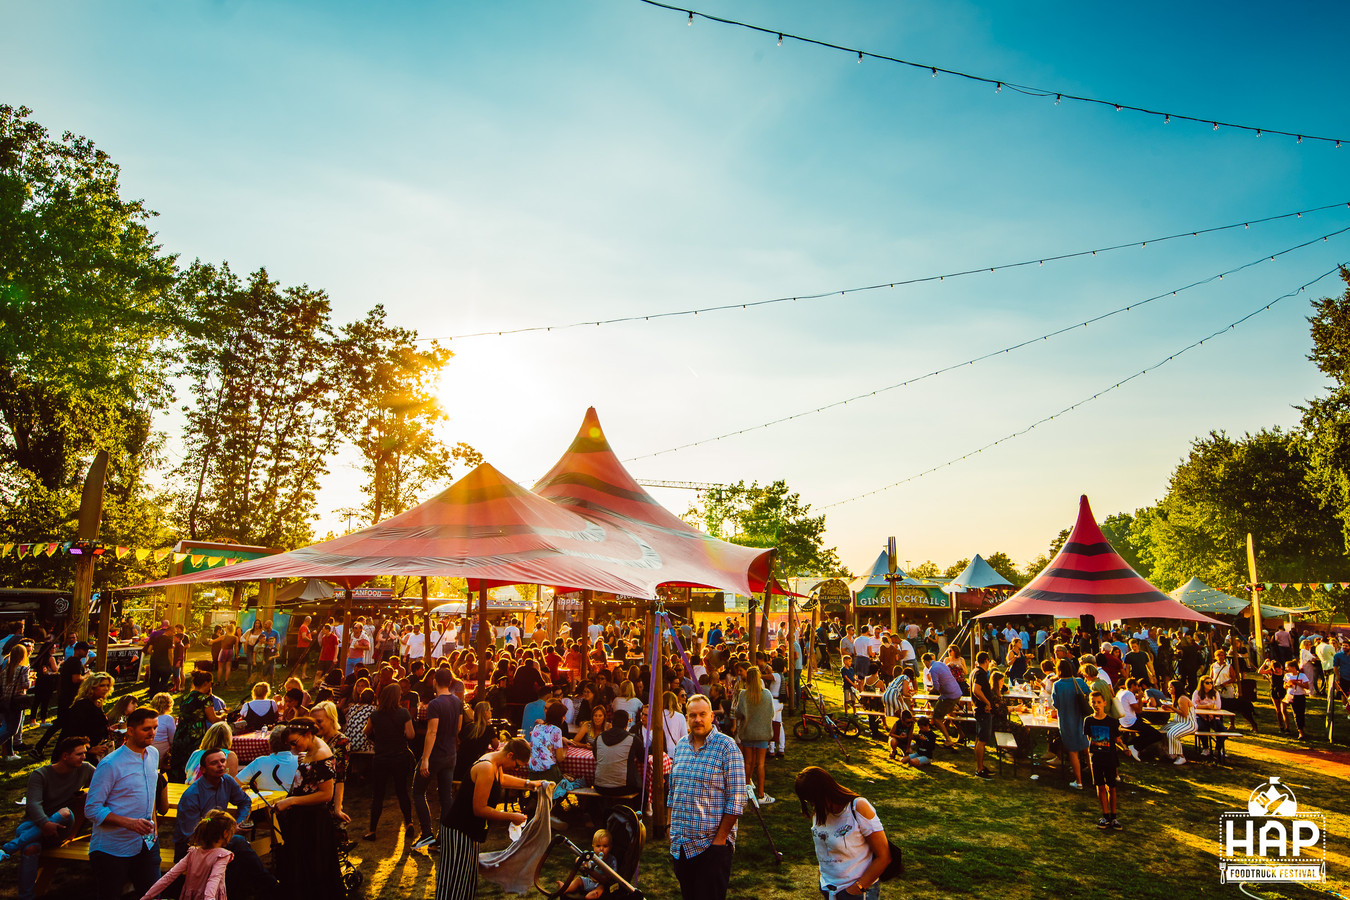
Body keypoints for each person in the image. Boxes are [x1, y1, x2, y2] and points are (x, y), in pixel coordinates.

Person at [435, 738, 544, 900]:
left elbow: (501, 780)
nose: (516, 769)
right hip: (458, 830)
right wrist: (511, 816)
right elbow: (480, 809)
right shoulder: (486, 767)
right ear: (510, 755)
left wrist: (529, 783)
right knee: (455, 880)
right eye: (517, 765)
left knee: (467, 879)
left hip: (468, 829)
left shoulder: (495, 762)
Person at [667, 694, 745, 900]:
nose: (698, 720)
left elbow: (737, 799)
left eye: (702, 714)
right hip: (682, 845)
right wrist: (669, 827)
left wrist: (719, 841)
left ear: (712, 716)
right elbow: (673, 791)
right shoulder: (681, 746)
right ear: (687, 718)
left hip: (711, 846)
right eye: (692, 715)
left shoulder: (727, 747)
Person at [174, 745, 277, 898]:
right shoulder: (192, 794)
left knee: (238, 857)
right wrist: (228, 833)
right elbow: (191, 835)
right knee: (238, 844)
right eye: (214, 763)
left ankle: (255, 890)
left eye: (222, 761)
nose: (220, 765)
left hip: (219, 841)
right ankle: (270, 886)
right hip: (192, 847)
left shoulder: (227, 781)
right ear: (203, 770)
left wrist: (238, 823)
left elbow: (244, 801)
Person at [86, 708, 162, 900]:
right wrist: (129, 823)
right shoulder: (110, 764)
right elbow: (92, 809)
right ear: (130, 731)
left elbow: (149, 792)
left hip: (147, 842)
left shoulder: (153, 754)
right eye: (146, 729)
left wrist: (153, 823)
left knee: (153, 894)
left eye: (155, 727)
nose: (152, 733)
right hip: (113, 848)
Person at [7, 736, 93, 900]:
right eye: (79, 754)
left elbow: (105, 784)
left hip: (62, 826)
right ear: (65, 756)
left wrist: (87, 792)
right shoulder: (40, 774)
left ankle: (8, 849)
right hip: (35, 823)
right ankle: (26, 897)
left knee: (64, 812)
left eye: (84, 753)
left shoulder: (86, 769)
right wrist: (45, 823)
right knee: (30, 848)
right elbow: (33, 804)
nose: (83, 757)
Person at [795, 766, 891, 899]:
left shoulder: (858, 807)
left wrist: (856, 889)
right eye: (808, 801)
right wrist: (823, 878)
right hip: (829, 888)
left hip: (856, 891)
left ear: (825, 792)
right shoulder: (819, 811)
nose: (812, 804)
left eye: (813, 800)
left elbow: (884, 856)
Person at [274, 718, 344, 899]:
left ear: (307, 734)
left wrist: (291, 801)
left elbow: (326, 795)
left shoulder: (321, 754)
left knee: (313, 866)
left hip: (314, 820)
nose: (293, 748)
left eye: (294, 743)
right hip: (304, 817)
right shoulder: (310, 749)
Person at [411, 667, 464, 851]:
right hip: (451, 754)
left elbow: (432, 732)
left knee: (418, 791)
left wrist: (425, 758)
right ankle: (443, 838)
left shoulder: (435, 704)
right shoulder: (457, 701)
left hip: (435, 755)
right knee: (445, 797)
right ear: (450, 682)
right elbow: (458, 728)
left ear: (434, 681)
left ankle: (427, 833)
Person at [143, 808, 236, 900]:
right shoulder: (222, 856)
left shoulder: (193, 853)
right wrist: (209, 898)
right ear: (225, 833)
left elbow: (169, 876)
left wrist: (147, 896)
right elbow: (213, 880)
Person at [364, 682, 415, 841]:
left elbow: (366, 731)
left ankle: (372, 830)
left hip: (381, 758)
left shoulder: (376, 714)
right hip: (399, 756)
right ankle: (409, 823)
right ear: (396, 697)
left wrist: (377, 738)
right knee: (402, 791)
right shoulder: (403, 713)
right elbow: (411, 734)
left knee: (378, 795)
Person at [32, 641, 89, 759]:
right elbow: (76, 679)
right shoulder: (75, 662)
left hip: (65, 697)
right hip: (70, 699)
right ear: (78, 650)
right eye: (85, 650)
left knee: (63, 726)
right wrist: (87, 676)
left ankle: (48, 750)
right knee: (61, 725)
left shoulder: (69, 661)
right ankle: (42, 749)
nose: (87, 652)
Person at [171, 670, 224, 782]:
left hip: (182, 732)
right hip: (196, 733)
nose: (211, 686)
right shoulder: (205, 698)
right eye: (211, 683)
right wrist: (223, 716)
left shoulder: (186, 697)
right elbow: (213, 719)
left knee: (181, 761)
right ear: (206, 683)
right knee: (194, 760)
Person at [733, 665, 775, 805]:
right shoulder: (767, 694)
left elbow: (738, 713)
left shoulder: (743, 695)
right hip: (762, 734)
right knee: (761, 764)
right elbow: (771, 713)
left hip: (748, 733)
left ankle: (745, 793)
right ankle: (761, 794)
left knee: (748, 763)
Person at [1084, 691, 1122, 830]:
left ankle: (1114, 816)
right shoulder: (1088, 721)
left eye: (1099, 702)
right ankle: (1105, 815)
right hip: (1096, 758)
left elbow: (1117, 739)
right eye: (1093, 702)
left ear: (1104, 703)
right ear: (1090, 704)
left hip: (1110, 758)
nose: (1096, 705)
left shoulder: (1112, 722)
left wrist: (1124, 748)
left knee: (1111, 787)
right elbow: (1089, 738)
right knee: (1100, 786)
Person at [1050, 658, 1089, 789]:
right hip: (1081, 718)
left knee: (1073, 752)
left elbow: (1056, 704)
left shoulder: (1057, 685)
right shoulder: (1079, 681)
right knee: (1087, 749)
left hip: (1066, 720)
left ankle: (1079, 781)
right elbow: (1090, 695)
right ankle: (1094, 777)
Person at [921, 653, 964, 751]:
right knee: (950, 714)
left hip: (949, 696)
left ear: (925, 661)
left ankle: (948, 740)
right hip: (957, 692)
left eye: (924, 663)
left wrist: (930, 690)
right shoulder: (940, 664)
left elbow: (936, 687)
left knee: (936, 718)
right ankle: (961, 734)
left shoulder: (932, 669)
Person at [236, 728, 300, 793]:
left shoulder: (259, 762)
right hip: (292, 798)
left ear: (269, 744)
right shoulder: (300, 761)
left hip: (264, 798)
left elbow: (235, 784)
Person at [559, 828, 615, 900]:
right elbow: (583, 861)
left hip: (601, 884)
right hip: (589, 880)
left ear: (610, 847)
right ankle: (565, 888)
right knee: (578, 879)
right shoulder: (592, 856)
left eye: (605, 846)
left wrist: (604, 868)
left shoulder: (611, 860)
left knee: (602, 888)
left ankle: (592, 895)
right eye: (598, 846)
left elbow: (612, 876)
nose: (601, 849)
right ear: (593, 846)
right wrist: (582, 862)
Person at [970, 651, 995, 780]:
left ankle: (981, 766)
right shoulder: (980, 673)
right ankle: (979, 769)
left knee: (979, 738)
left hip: (978, 709)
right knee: (982, 740)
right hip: (982, 710)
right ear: (986, 660)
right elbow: (976, 689)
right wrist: (987, 702)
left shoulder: (974, 671)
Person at [1162, 679, 1198, 765]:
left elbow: (1184, 713)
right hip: (1179, 722)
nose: (1168, 689)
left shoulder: (1182, 698)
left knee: (1172, 734)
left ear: (1176, 688)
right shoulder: (1175, 697)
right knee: (1163, 730)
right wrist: (1168, 707)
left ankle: (1181, 756)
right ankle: (1169, 752)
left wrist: (1171, 707)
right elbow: (1177, 709)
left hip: (1188, 723)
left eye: (1170, 687)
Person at [1283, 660, 1311, 741]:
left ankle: (1302, 728)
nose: (1286, 669)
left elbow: (1307, 686)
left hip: (1300, 695)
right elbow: (1284, 686)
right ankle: (1300, 731)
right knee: (1296, 714)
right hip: (1292, 696)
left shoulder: (1302, 675)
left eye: (1288, 667)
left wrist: (1296, 683)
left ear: (1293, 667)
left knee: (1301, 713)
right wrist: (1288, 684)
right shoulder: (1287, 675)